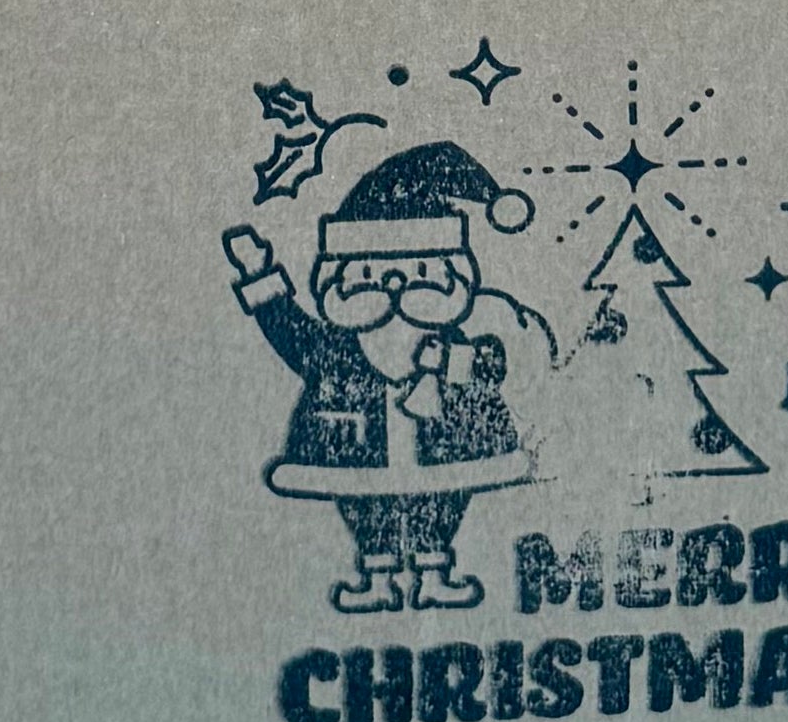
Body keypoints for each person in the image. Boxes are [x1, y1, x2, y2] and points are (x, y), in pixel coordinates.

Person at [226, 140, 559, 612]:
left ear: (454, 276)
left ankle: (434, 571)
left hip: (447, 453)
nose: (396, 286)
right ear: (337, 279)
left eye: (419, 270)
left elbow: (490, 367)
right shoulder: (338, 348)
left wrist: (451, 361)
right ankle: (377, 576)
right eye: (371, 274)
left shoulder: (449, 342)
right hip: (355, 448)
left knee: (442, 505)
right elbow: (294, 337)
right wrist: (260, 276)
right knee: (367, 509)